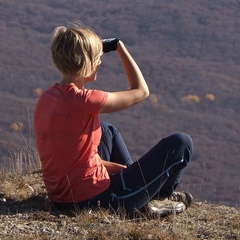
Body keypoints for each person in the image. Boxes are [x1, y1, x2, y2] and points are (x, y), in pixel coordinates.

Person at [34, 22, 193, 218]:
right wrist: (120, 47)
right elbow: (142, 91)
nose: (100, 63)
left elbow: (73, 160)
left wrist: (125, 170)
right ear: (85, 62)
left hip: (63, 198)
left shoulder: (47, 97)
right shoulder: (85, 100)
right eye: (97, 58)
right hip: (99, 199)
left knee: (107, 131)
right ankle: (159, 196)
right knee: (181, 143)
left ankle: (138, 186)